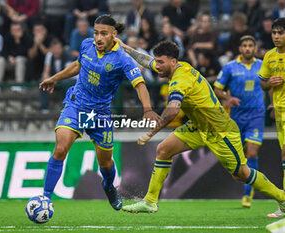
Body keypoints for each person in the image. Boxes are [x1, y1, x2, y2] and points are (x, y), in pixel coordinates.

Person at [115, 39, 285, 214]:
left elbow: (172, 111)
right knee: (164, 150)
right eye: (156, 61)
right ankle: (150, 201)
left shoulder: (180, 80)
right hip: (199, 126)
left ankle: (282, 198)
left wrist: (151, 132)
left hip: (220, 130)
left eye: (160, 62)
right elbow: (146, 60)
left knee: (241, 173)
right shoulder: (179, 67)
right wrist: (126, 47)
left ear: (173, 62)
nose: (156, 66)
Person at [39, 15, 160, 210]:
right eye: (96, 33)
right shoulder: (87, 45)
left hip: (100, 114)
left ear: (114, 34)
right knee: (61, 148)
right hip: (76, 105)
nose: (98, 38)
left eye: (103, 33)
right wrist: (55, 78)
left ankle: (108, 186)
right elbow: (78, 65)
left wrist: (147, 109)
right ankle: (45, 198)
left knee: (105, 163)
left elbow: (140, 85)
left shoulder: (122, 59)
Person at [214, 35, 264, 208]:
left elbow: (270, 85)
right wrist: (228, 98)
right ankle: (248, 183)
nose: (248, 48)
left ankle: (247, 191)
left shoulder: (263, 66)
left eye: (251, 45)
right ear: (240, 49)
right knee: (239, 159)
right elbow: (216, 89)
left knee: (252, 153)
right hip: (236, 117)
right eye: (245, 45)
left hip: (256, 114)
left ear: (255, 48)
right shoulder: (229, 68)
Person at [259, 17, 285, 218]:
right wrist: (270, 84)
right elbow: (263, 83)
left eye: (280, 33)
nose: (276, 36)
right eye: (274, 33)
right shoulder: (269, 56)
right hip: (279, 111)